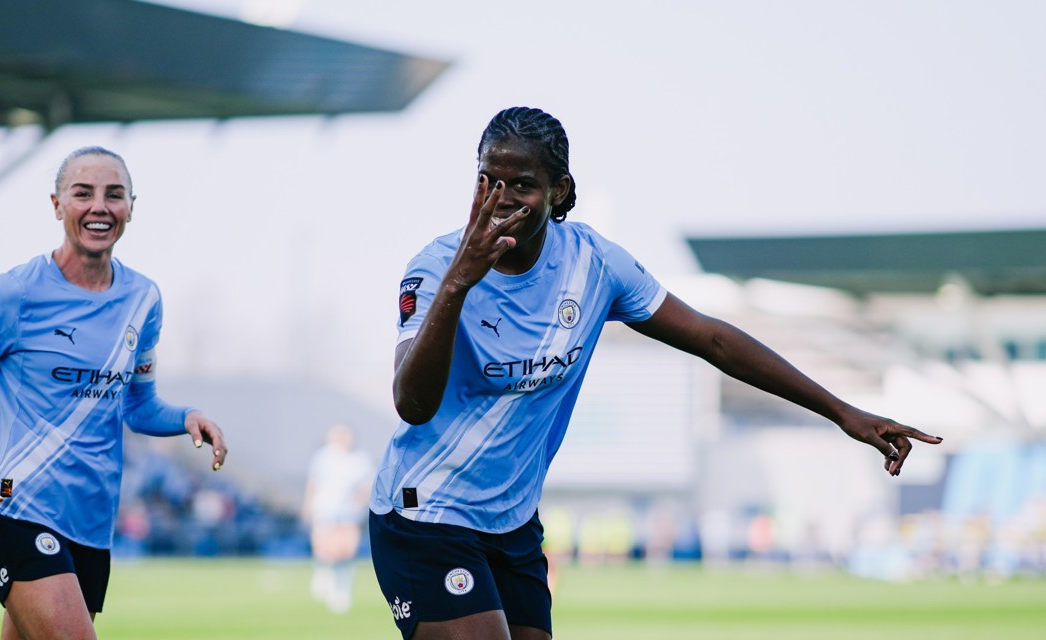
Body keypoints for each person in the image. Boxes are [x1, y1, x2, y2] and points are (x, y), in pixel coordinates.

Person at [368, 106, 944, 640]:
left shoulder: (593, 265)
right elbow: (411, 404)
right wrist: (458, 286)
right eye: (489, 180)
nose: (501, 198)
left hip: (510, 521)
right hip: (425, 512)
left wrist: (843, 412)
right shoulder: (436, 268)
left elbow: (712, 338)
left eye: (522, 185)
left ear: (559, 192)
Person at [0, 146, 228, 640]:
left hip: (91, 525)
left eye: (114, 195)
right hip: (15, 510)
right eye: (83, 193)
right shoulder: (14, 293)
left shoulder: (144, 299)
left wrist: (187, 417)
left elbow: (138, 405)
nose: (99, 206)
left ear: (131, 207)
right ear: (57, 205)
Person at [302, 423, 374, 613]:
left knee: (346, 550)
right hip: (325, 508)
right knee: (324, 548)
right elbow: (314, 482)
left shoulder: (360, 459)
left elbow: (367, 485)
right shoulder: (323, 457)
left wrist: (360, 502)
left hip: (348, 511)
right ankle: (324, 573)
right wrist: (308, 505)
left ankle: (342, 589)